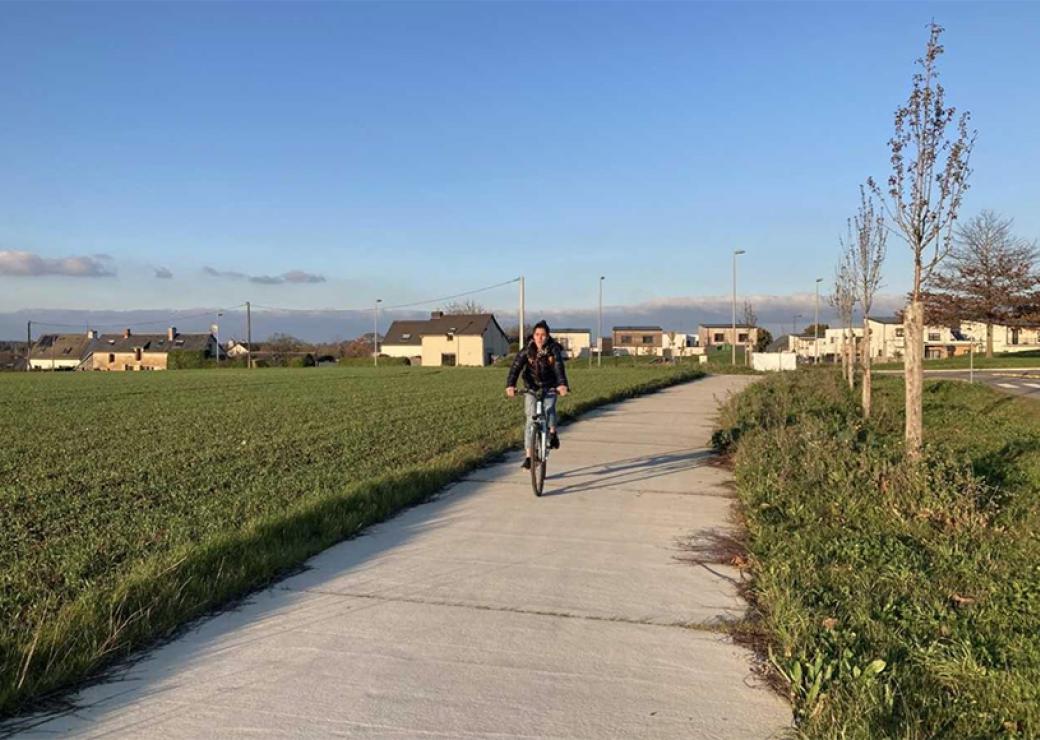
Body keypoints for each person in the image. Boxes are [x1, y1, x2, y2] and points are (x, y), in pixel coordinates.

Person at [505, 320, 569, 469]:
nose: (540, 338)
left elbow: (559, 368)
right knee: (530, 419)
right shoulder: (527, 350)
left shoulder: (553, 350)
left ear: (547, 337)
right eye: (537, 334)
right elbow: (515, 367)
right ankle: (529, 456)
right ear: (533, 336)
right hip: (531, 387)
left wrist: (562, 385)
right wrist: (510, 385)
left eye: (543, 335)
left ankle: (552, 433)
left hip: (549, 386)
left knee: (549, 408)